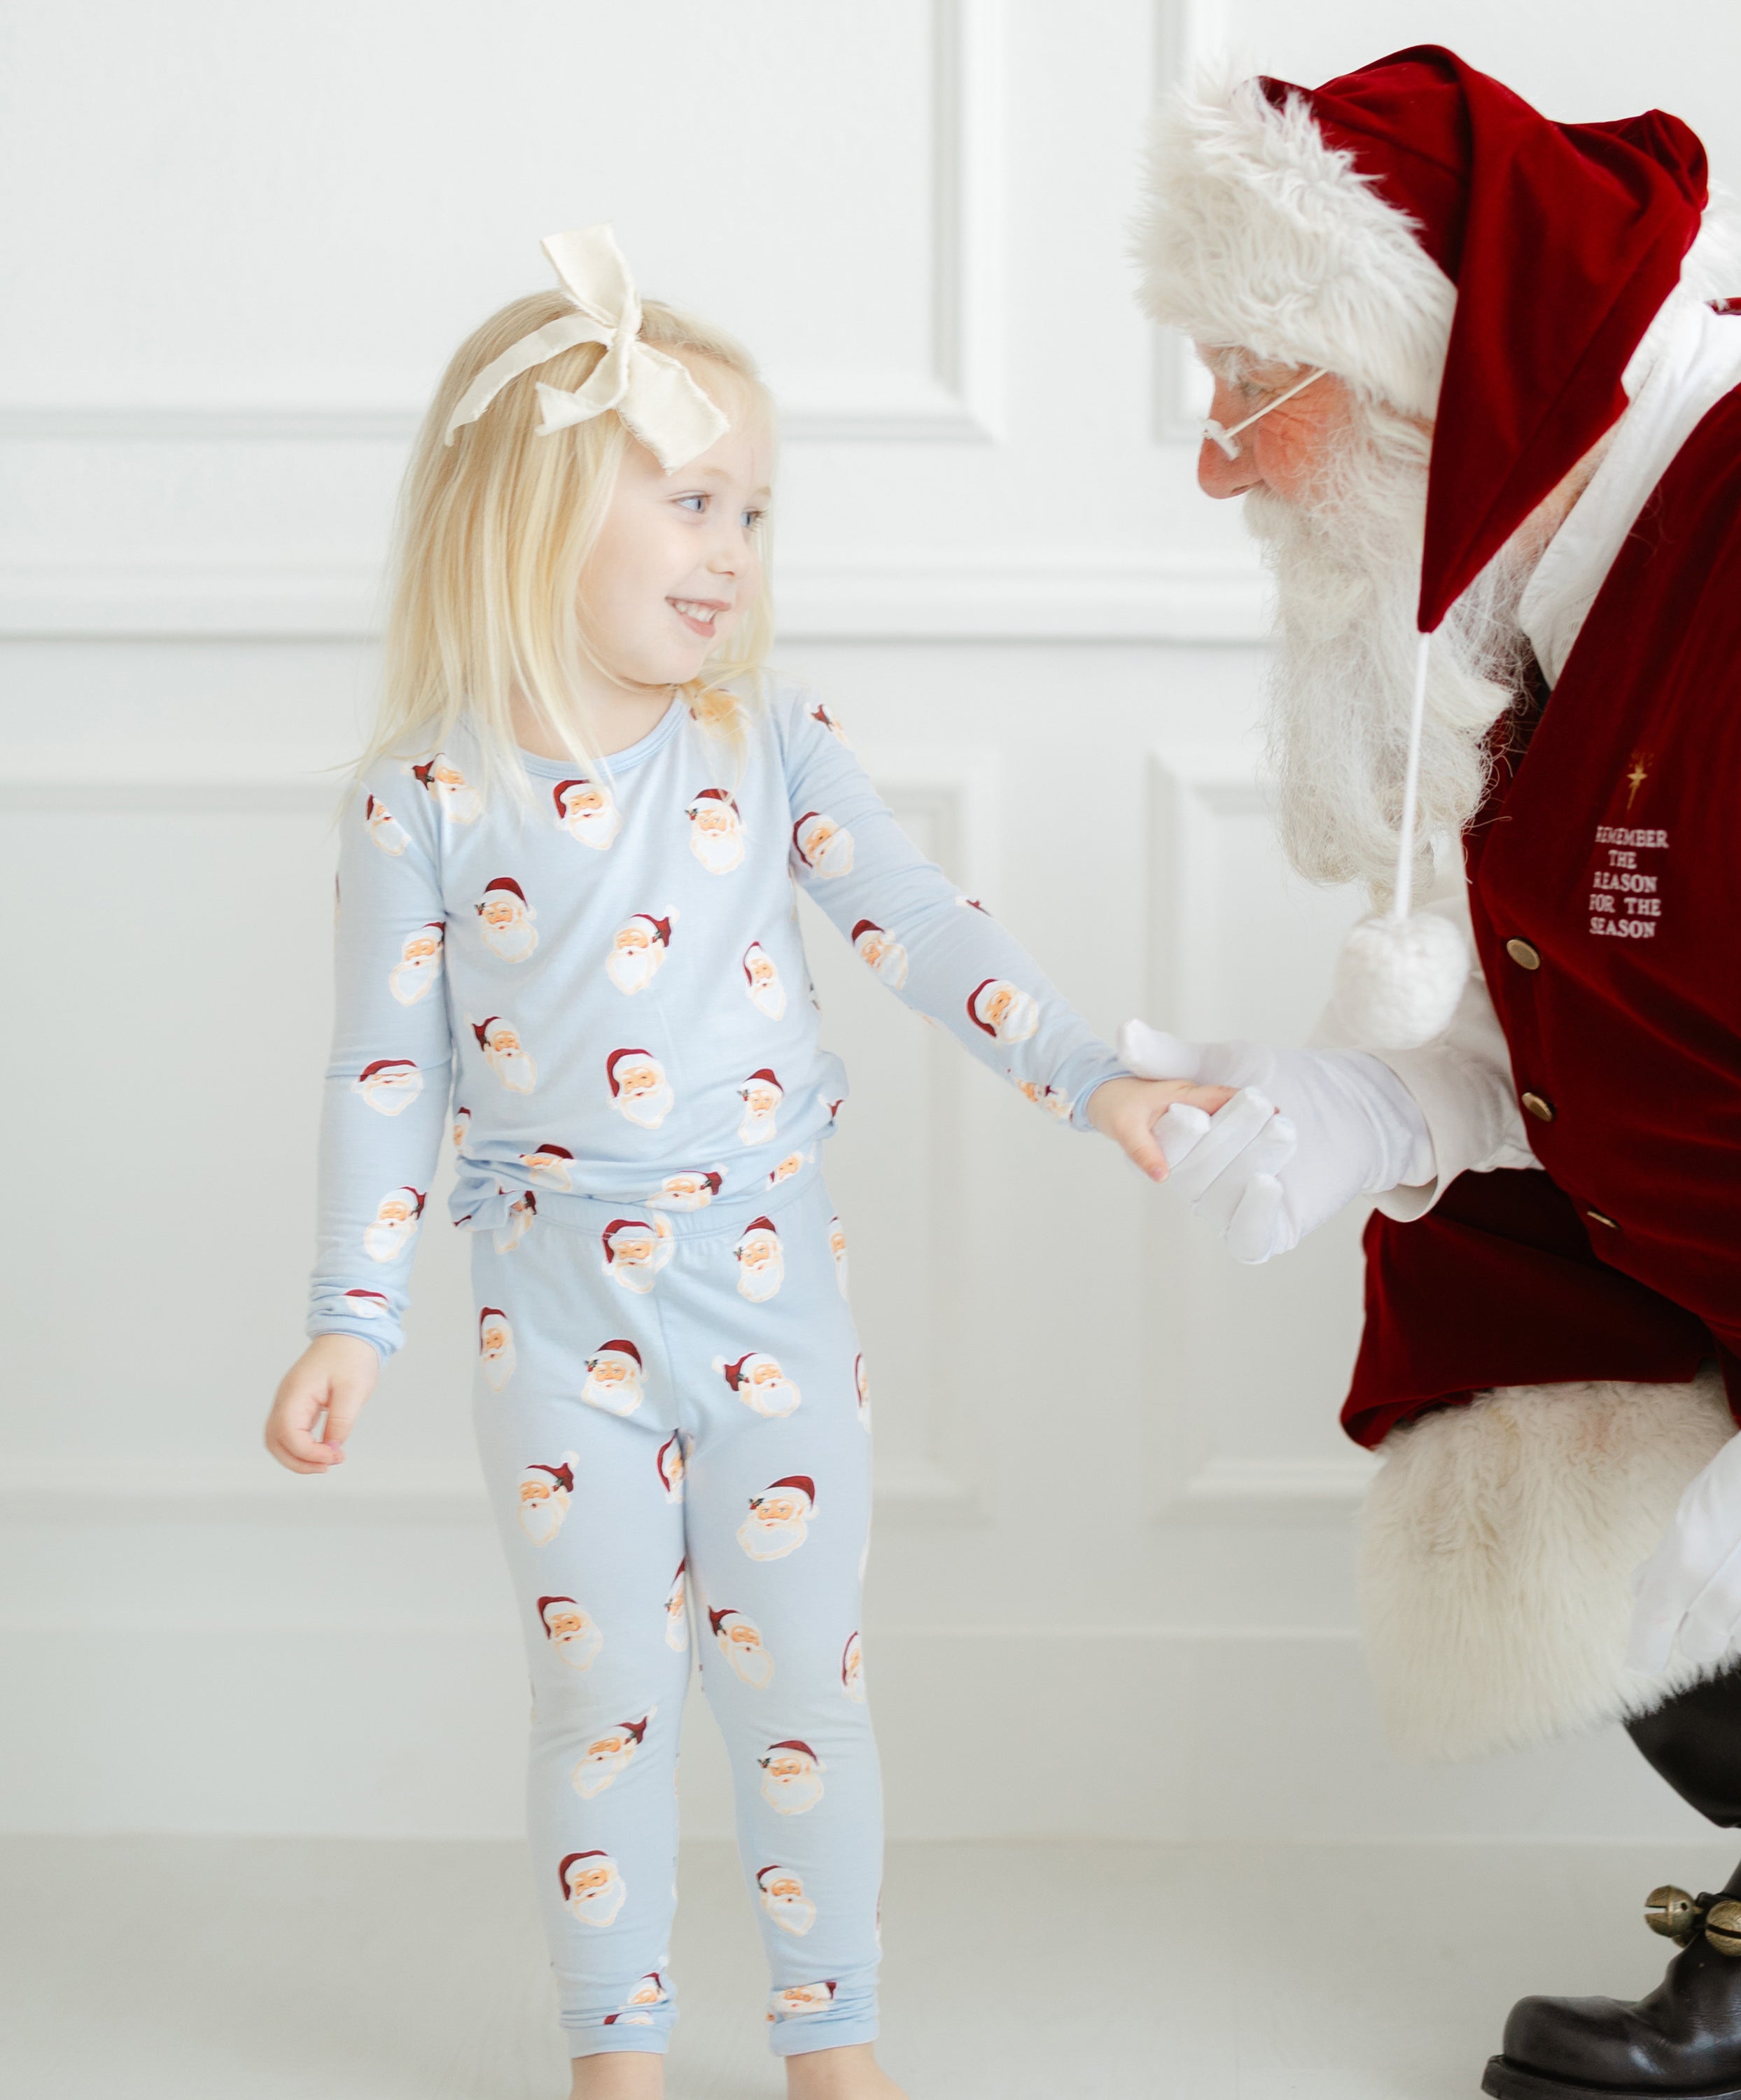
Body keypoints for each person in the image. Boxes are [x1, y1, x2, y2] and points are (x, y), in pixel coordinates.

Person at [1127, 45, 1741, 2100]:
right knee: (1477, 1258)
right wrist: (1367, 1104)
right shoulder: (1554, 557)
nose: (1221, 465)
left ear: (1424, 379)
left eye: (1248, 388)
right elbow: (1617, 997)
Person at [260, 225, 1223, 2100]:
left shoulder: (766, 745)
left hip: (769, 1292)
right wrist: (348, 1318)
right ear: (536, 515)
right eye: (693, 500)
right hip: (550, 1313)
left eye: (756, 513)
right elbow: (385, 1071)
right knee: (599, 1706)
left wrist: (1090, 1073)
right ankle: (616, 2056)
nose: (733, 551)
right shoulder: (426, 794)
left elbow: (920, 924)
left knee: (801, 1692)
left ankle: (830, 2047)